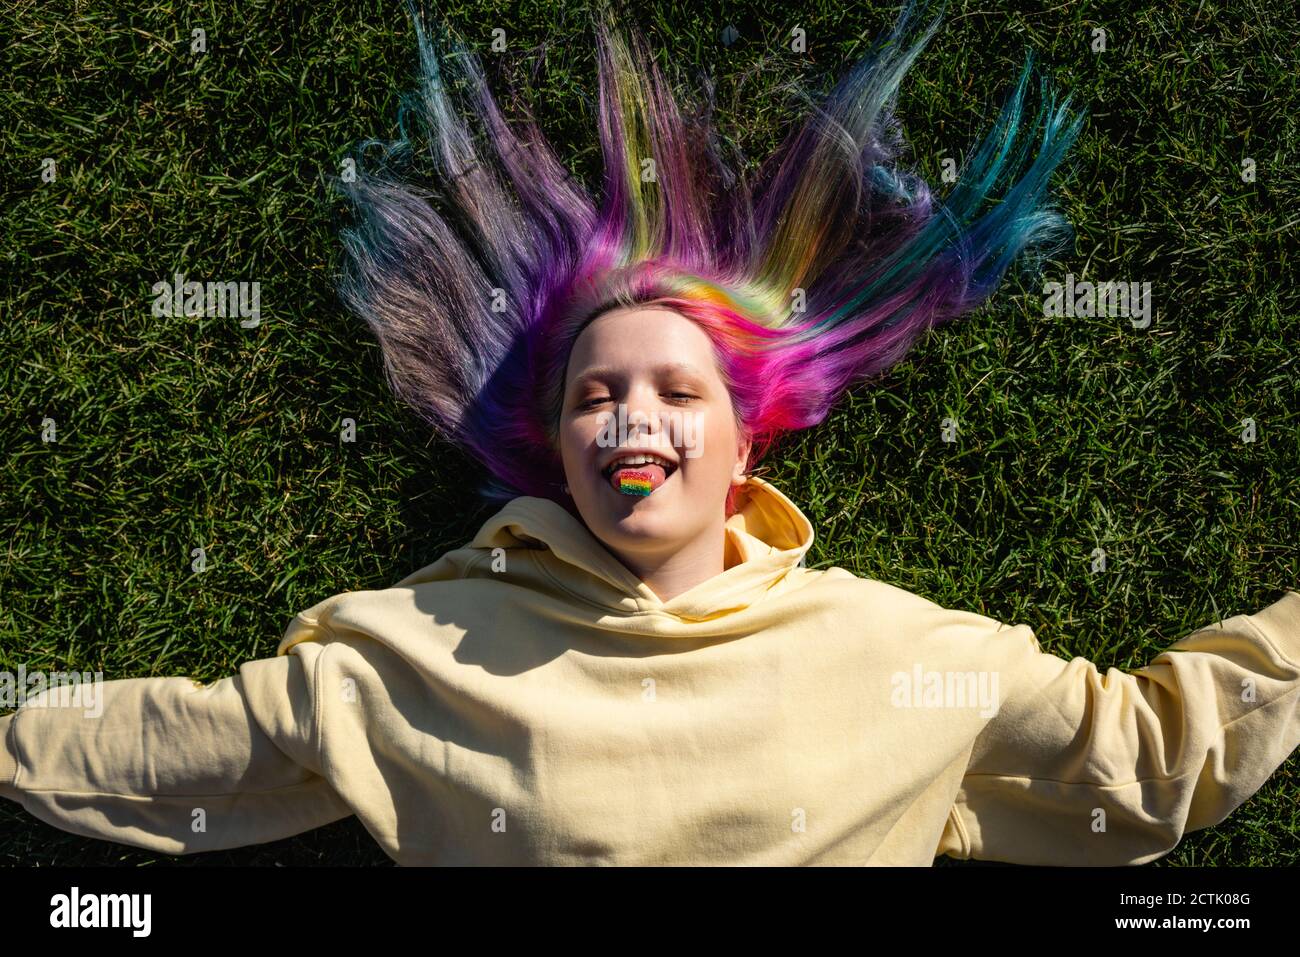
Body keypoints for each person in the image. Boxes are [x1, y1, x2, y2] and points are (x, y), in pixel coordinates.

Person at [2, 1, 1296, 866]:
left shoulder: (902, 656)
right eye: (594, 393)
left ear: (747, 446)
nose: (630, 413)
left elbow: (1142, 758)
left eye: (679, 392)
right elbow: (196, 748)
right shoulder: (420, 652)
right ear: (559, 444)